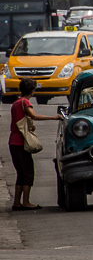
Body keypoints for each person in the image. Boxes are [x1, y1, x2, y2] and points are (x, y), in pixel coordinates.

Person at [9, 79, 59, 210]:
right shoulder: (25, 102)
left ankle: (17, 202)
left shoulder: (15, 103)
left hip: (13, 141)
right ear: (32, 90)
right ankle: (26, 202)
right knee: (28, 172)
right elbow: (33, 115)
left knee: (21, 173)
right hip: (21, 141)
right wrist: (53, 117)